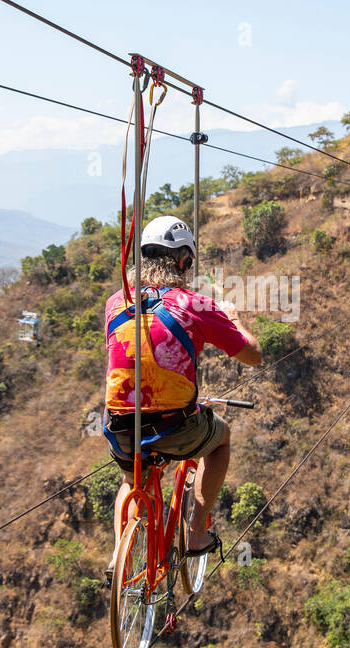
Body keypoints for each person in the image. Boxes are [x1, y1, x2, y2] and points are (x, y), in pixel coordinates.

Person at [102, 215, 262, 583]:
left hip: (120, 428)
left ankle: (117, 556)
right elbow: (252, 355)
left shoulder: (115, 303)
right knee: (220, 439)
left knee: (132, 480)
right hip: (176, 424)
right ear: (184, 262)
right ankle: (196, 532)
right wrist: (234, 320)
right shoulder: (196, 305)